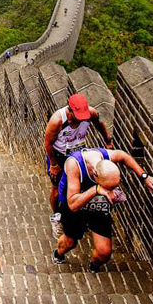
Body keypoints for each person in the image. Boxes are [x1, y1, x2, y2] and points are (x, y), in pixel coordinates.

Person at [51, 147, 153, 272]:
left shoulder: (106, 157)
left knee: (104, 253)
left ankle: (93, 266)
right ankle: (58, 254)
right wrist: (96, 190)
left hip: (98, 208)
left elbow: (123, 155)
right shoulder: (74, 164)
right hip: (75, 208)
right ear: (95, 176)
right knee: (70, 243)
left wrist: (144, 176)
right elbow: (73, 203)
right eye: (108, 187)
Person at [44, 94, 114, 236]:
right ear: (69, 110)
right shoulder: (57, 121)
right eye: (75, 116)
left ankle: (79, 216)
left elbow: (99, 124)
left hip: (79, 156)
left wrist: (107, 140)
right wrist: (53, 165)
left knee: (79, 187)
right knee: (57, 190)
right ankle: (56, 216)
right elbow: (48, 143)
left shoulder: (90, 113)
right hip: (59, 157)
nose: (78, 119)